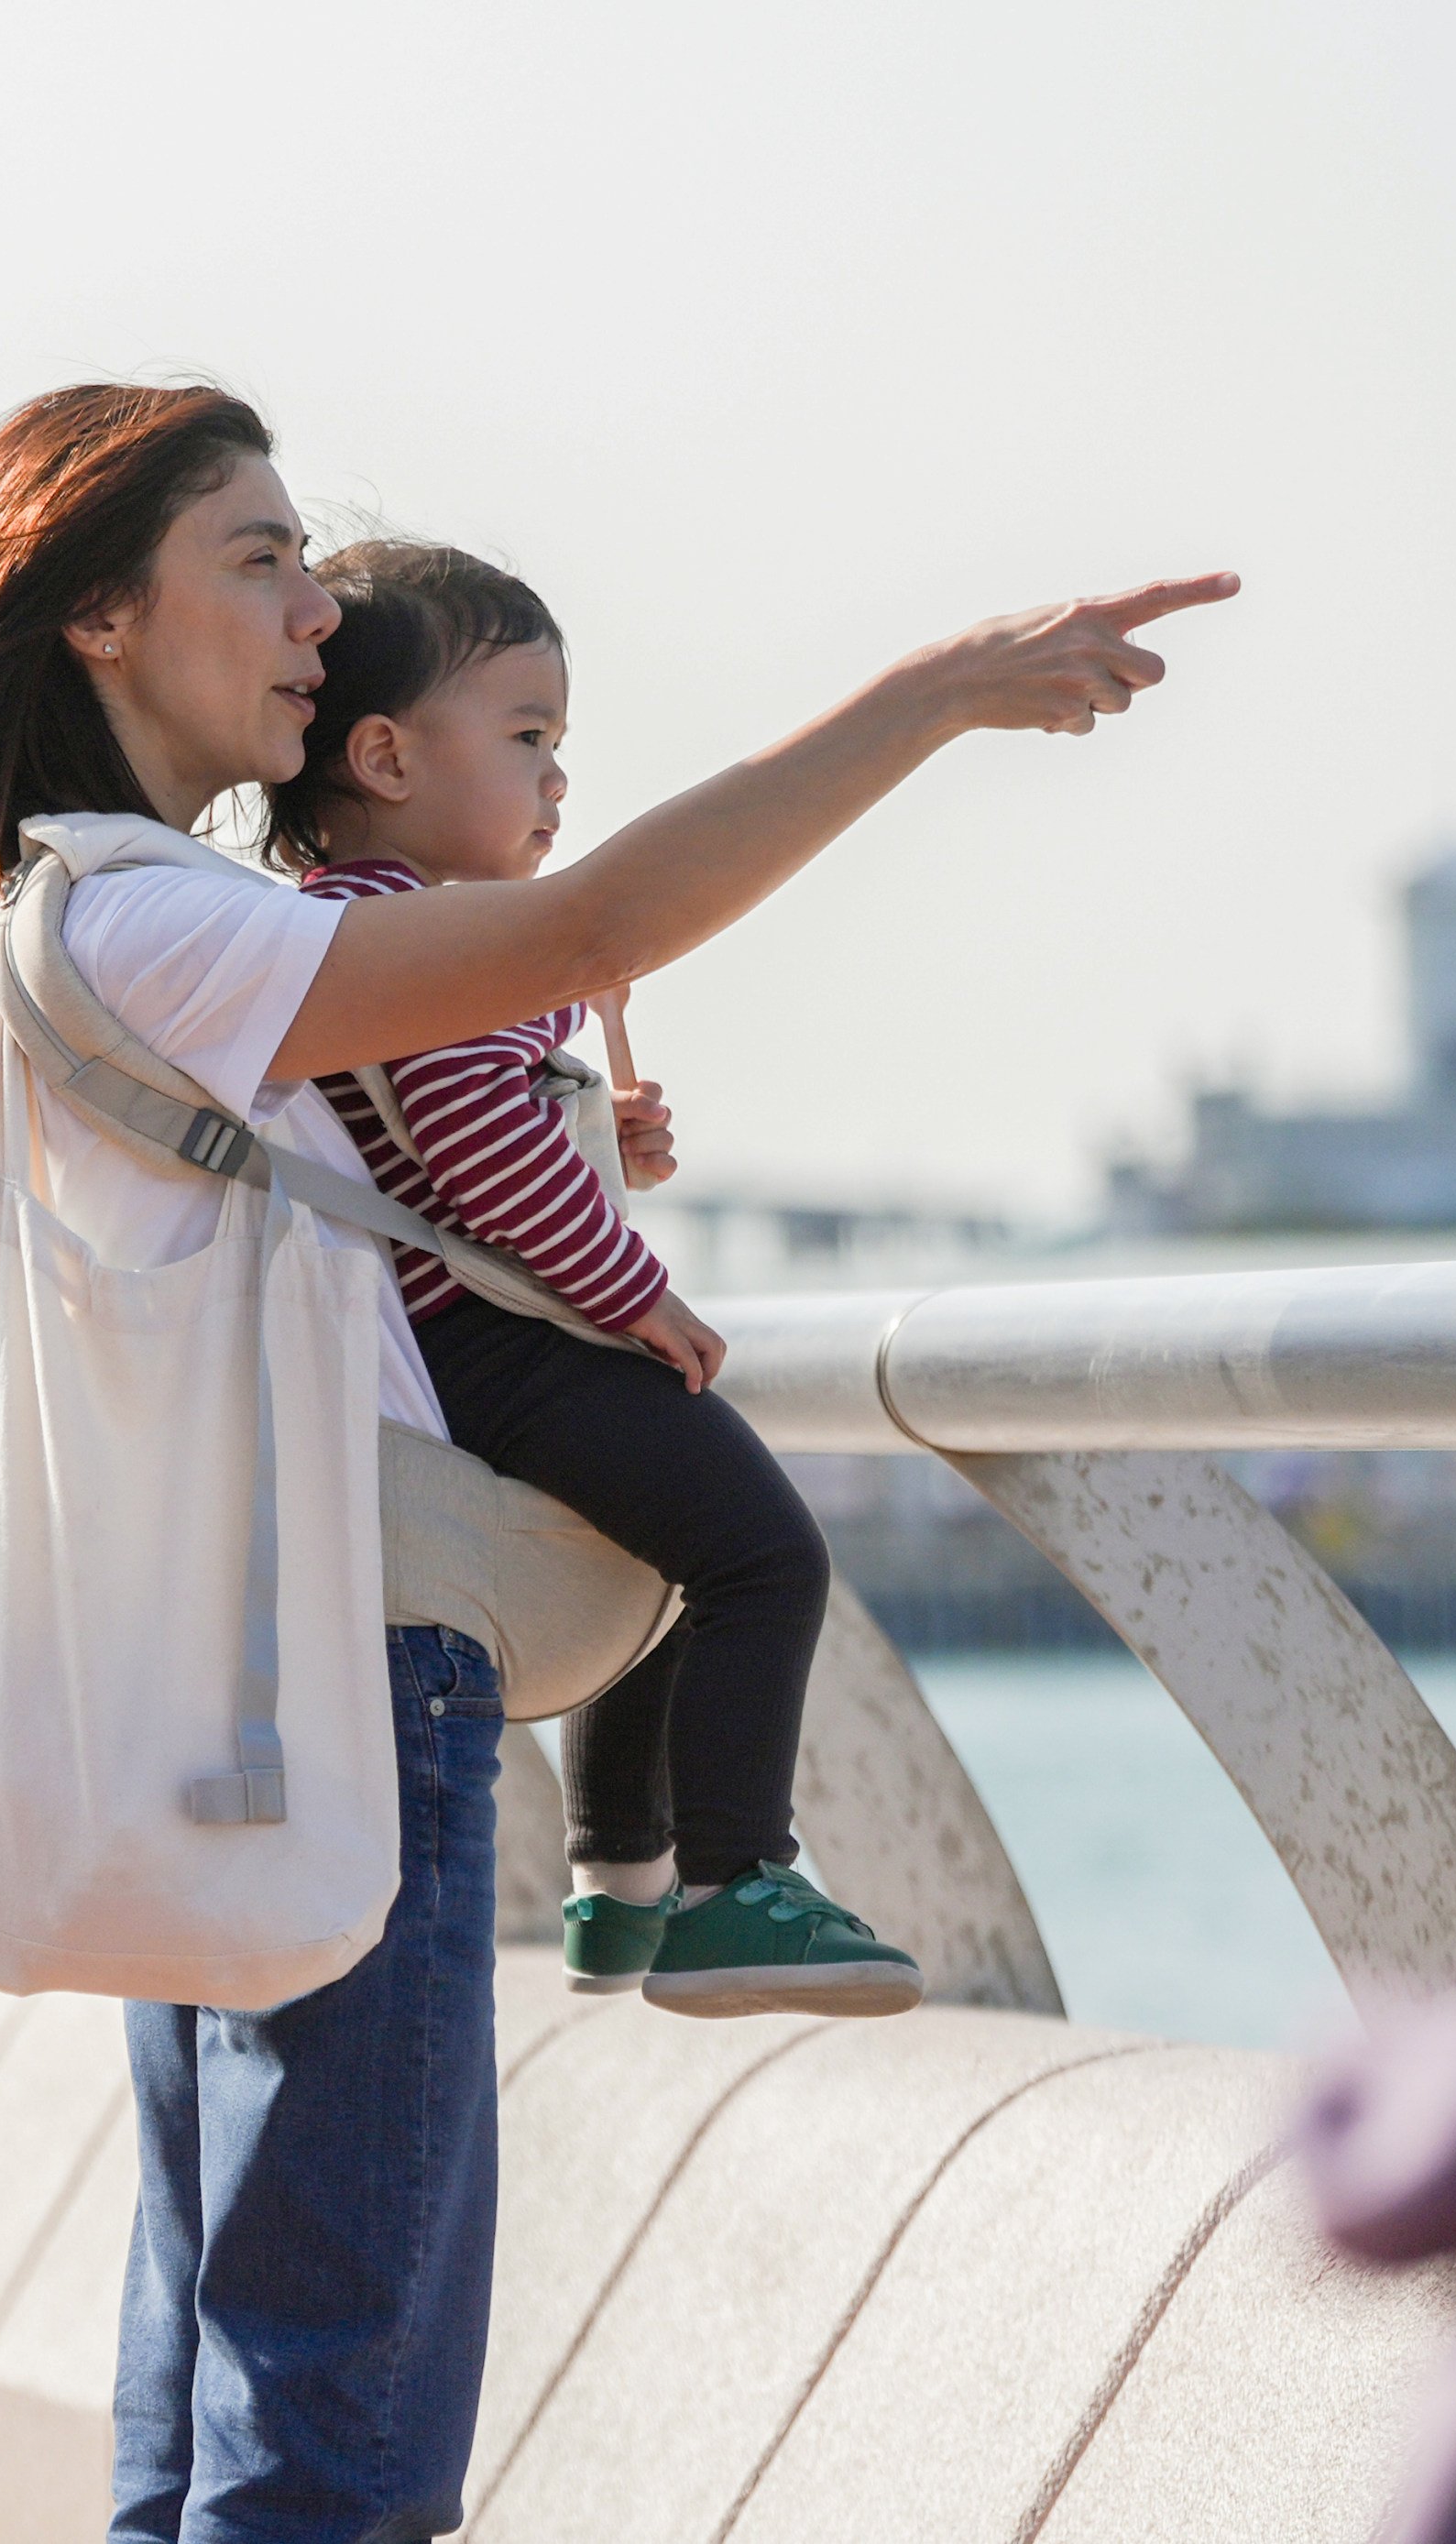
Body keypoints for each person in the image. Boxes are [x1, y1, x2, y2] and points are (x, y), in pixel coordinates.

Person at [0, 378, 1227, 2542]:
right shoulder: (179, 926)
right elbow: (576, 937)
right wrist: (931, 696)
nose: (315, 600)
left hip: (175, 1705)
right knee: (339, 2426)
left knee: (208, 2387)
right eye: (254, 557)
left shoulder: (0, 937)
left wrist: (109, 1557)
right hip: (341, 1685)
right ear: (95, 619)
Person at [270, 540, 916, 2018]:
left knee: (660, 1570)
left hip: (449, 1346)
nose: (559, 780)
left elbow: (432, 1145)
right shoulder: (432, 940)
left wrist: (594, 1132)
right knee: (764, 1558)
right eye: (527, 738)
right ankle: (733, 1879)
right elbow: (480, 1152)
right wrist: (635, 1292)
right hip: (513, 1347)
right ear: (382, 753)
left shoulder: (343, 923)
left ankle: (621, 1881)